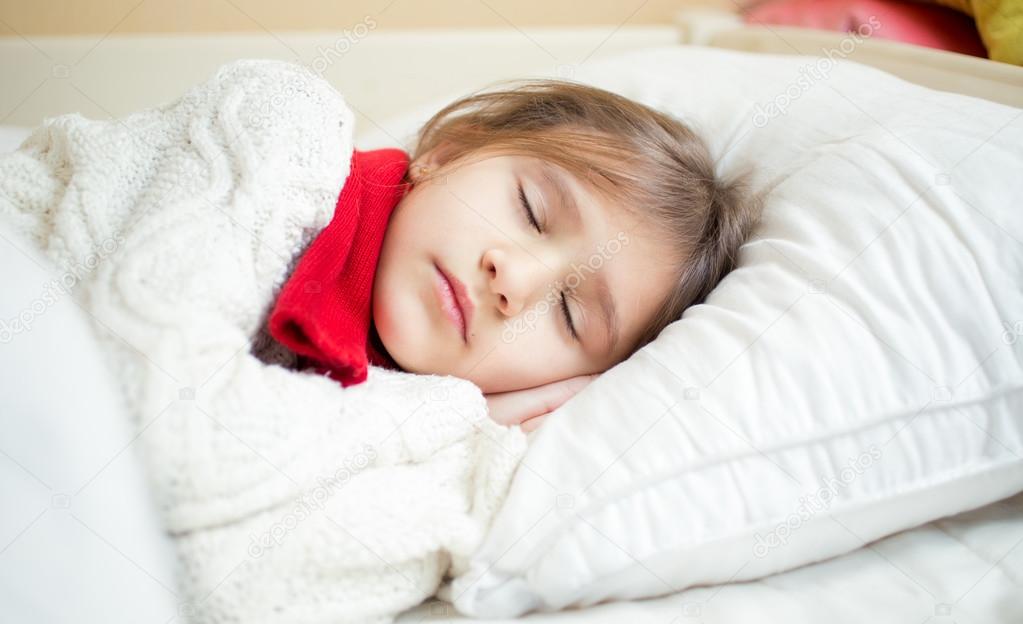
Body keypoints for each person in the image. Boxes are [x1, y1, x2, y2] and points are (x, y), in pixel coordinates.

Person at [265, 78, 761, 433]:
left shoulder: (460, 451)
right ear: (448, 154)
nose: (513, 279)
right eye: (532, 211)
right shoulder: (282, 157)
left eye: (570, 313)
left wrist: (464, 425)